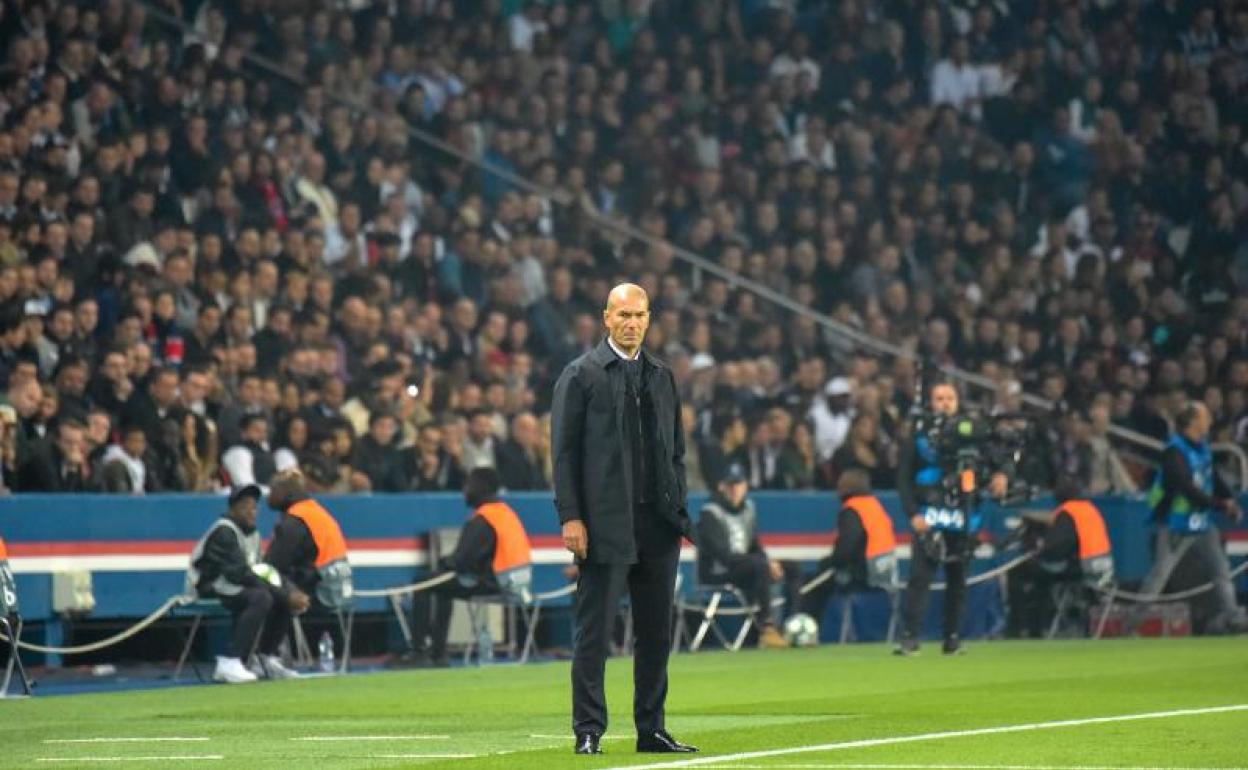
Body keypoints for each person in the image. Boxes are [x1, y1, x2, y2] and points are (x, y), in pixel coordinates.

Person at [551, 283, 697, 755]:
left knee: (655, 634)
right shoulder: (580, 375)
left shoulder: (661, 375)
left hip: (657, 525)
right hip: (605, 525)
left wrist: (677, 506)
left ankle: (650, 729)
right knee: (594, 634)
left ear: (650, 319)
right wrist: (571, 517)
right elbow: (564, 455)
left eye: (639, 315)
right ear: (606, 319)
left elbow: (676, 449)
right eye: (623, 315)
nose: (632, 323)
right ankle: (588, 730)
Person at [895, 381, 1009, 656]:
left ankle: (953, 638)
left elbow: (1001, 458)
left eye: (949, 398)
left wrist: (1002, 475)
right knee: (920, 577)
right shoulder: (919, 435)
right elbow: (903, 478)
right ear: (930, 403)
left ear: (958, 401)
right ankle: (910, 638)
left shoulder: (974, 432)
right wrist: (912, 514)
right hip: (930, 514)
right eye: (938, 398)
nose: (944, 403)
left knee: (958, 578)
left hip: (965, 513)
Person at [407, 466, 532, 666]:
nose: (465, 490)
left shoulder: (483, 519)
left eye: (468, 485)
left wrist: (443, 563)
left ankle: (419, 652)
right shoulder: (506, 513)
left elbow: (461, 561)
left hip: (494, 584)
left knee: (422, 582)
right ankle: (438, 654)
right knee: (442, 586)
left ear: (480, 487)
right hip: (516, 583)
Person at [185, 484, 309, 683]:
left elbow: (262, 570)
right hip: (208, 585)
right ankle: (230, 660)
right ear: (232, 509)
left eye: (254, 507)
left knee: (279, 597)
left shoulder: (253, 533)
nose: (252, 512)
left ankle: (265, 658)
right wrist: (284, 594)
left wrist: (289, 592)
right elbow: (239, 574)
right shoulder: (224, 531)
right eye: (245, 507)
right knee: (261, 597)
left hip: (232, 583)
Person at [1141, 402, 1247, 634]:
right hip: (1176, 524)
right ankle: (1135, 621)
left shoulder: (1202, 447)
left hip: (1201, 521)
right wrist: (1220, 505)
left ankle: (1232, 615)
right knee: (1161, 573)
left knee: (1220, 569)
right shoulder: (1174, 451)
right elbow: (1184, 486)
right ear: (1192, 422)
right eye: (1205, 416)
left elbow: (1213, 478)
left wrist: (1228, 500)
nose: (1209, 420)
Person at [696, 462, 792, 648]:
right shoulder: (710, 514)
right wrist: (763, 562)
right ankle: (766, 627)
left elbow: (755, 546)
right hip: (718, 574)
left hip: (747, 568)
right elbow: (724, 557)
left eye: (738, 484)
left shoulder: (749, 509)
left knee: (791, 568)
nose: (734, 490)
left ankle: (791, 624)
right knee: (761, 565)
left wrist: (769, 561)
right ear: (721, 486)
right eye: (730, 485)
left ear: (746, 486)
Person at [1006, 476, 1113, 638]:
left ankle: (1024, 627)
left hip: (1080, 569)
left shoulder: (1068, 512)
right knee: (1041, 576)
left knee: (1024, 572)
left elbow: (1056, 547)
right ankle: (1038, 626)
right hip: (1103, 569)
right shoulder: (1090, 509)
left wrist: (1038, 551)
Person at [801, 469, 899, 623]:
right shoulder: (874, 506)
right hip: (887, 572)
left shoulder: (853, 510)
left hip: (865, 574)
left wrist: (829, 561)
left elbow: (847, 549)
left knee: (811, 583)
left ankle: (808, 625)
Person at [265, 469, 353, 612]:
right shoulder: (319, 513)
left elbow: (272, 566)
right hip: (337, 592)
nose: (268, 496)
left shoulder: (295, 521)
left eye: (272, 490)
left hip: (315, 598)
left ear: (283, 491)